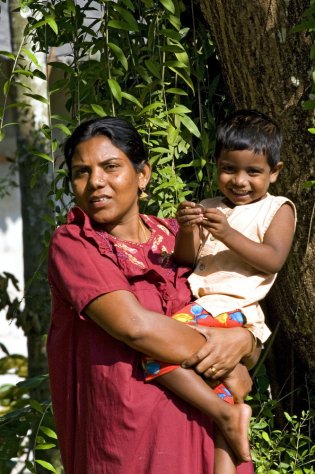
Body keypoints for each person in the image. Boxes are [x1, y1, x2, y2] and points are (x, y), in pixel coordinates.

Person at [47, 116, 257, 474]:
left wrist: (245, 342)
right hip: (129, 444)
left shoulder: (180, 236)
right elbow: (136, 327)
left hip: (208, 437)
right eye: (81, 172)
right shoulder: (75, 243)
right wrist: (227, 355)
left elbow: (230, 303)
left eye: (110, 166)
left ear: (142, 175)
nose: (96, 181)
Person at [142, 109, 297, 473]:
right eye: (229, 169)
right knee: (220, 391)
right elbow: (186, 260)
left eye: (253, 172)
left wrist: (227, 232)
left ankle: (226, 408)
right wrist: (185, 228)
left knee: (153, 351)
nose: (239, 181)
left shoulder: (278, 209)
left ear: (275, 171)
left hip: (234, 311)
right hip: (206, 309)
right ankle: (228, 423)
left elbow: (273, 260)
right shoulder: (211, 206)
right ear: (216, 165)